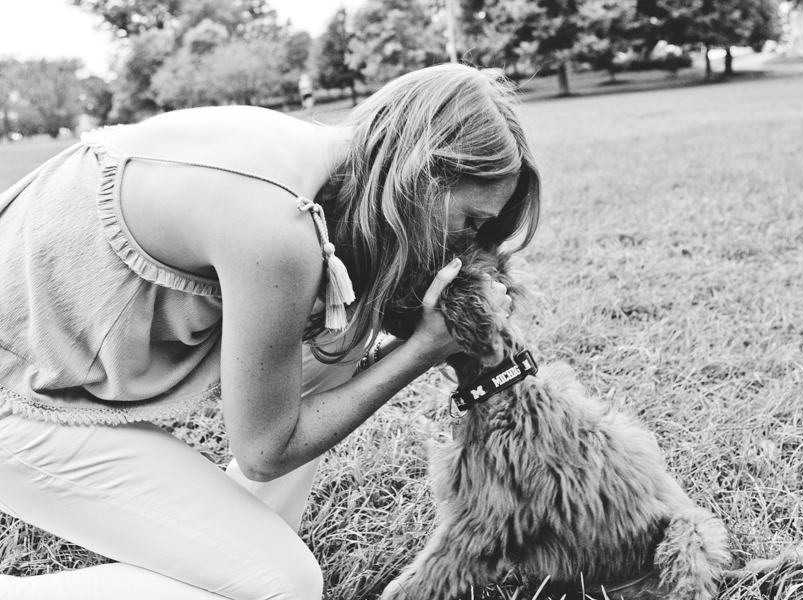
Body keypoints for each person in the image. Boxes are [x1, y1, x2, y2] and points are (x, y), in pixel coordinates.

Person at [0, 63, 541, 600]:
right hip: (17, 402)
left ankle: (232, 554)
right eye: (470, 222)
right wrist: (424, 347)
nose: (463, 244)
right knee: (282, 586)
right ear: (423, 174)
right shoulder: (278, 225)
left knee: (338, 347)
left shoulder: (302, 155)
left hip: (42, 366)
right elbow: (265, 450)